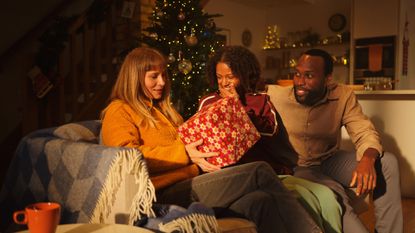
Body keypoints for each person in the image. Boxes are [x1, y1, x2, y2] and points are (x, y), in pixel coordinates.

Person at [100, 47, 322, 233]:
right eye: (153, 76)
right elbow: (124, 159)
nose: (162, 82)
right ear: (135, 77)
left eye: (164, 75)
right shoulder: (119, 110)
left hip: (193, 179)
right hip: (162, 191)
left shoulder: (163, 111)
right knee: (258, 171)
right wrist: (184, 152)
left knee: (260, 200)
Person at [199, 45, 342, 233]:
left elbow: (269, 133)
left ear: (244, 74)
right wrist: (228, 105)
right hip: (231, 176)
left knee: (326, 196)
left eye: (230, 76)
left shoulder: (260, 101)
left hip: (270, 172)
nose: (224, 83)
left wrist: (238, 107)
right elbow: (207, 136)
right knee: (298, 199)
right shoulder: (208, 102)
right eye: (219, 77)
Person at [267, 48, 403, 233]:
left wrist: (368, 158)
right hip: (296, 166)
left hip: (329, 160)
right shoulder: (275, 96)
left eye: (309, 76)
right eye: (297, 74)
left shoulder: (343, 96)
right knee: (333, 193)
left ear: (328, 78)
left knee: (387, 163)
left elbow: (364, 131)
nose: (300, 82)